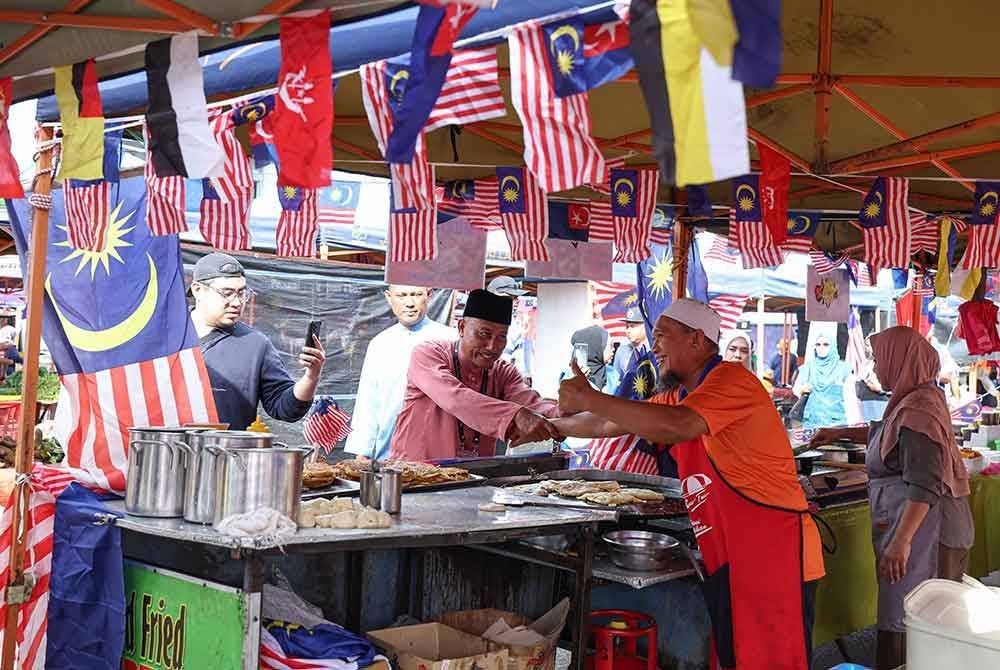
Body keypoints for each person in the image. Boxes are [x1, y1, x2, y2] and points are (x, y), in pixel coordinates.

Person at [555, 299, 824, 670]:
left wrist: (590, 396)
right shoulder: (680, 396)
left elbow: (678, 425)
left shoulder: (732, 381)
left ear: (697, 339)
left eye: (662, 336)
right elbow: (606, 425)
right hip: (731, 552)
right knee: (735, 658)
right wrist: (547, 425)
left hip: (774, 552)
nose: (654, 347)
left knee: (771, 661)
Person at [809, 327, 973, 670]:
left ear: (901, 361)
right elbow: (885, 430)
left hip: (926, 533)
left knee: (913, 619)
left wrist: (901, 542)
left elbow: (925, 484)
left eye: (878, 358)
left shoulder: (918, 412)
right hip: (918, 527)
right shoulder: (917, 400)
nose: (874, 366)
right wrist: (838, 432)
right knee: (914, 617)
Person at [389, 289, 560, 462]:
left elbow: (532, 404)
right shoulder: (428, 354)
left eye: (501, 337)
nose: (492, 346)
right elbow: (455, 398)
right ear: (462, 327)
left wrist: (560, 412)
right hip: (414, 475)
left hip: (472, 478)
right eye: (484, 334)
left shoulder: (503, 372)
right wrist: (515, 415)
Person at [189, 253, 326, 430]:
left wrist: (311, 377)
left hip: (226, 454)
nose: (237, 302)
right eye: (227, 293)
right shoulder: (164, 336)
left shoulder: (255, 345)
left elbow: (284, 408)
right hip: (161, 451)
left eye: (241, 293)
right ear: (198, 290)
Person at [345, 285, 454, 461]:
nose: (409, 303)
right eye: (402, 295)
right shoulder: (380, 344)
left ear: (429, 295)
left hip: (437, 451)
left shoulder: (450, 340)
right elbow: (369, 401)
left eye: (416, 294)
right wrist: (363, 451)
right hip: (387, 450)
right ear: (389, 297)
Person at [793, 332, 850, 429]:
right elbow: (796, 390)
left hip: (837, 423)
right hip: (812, 422)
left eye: (826, 344)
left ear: (833, 346)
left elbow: (851, 396)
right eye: (818, 345)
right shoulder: (808, 368)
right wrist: (802, 389)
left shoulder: (843, 368)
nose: (821, 347)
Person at [487, 276, 533, 384]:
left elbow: (519, 364)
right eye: (512, 297)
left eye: (516, 297)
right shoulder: (475, 322)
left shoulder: (516, 326)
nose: (516, 301)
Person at [560, 326, 620, 395]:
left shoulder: (613, 375)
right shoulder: (570, 377)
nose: (613, 349)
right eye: (611, 346)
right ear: (596, 348)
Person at [612, 307, 648, 376]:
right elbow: (616, 381)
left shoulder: (653, 350)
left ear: (645, 326)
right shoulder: (621, 351)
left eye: (632, 326)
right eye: (627, 327)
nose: (628, 331)